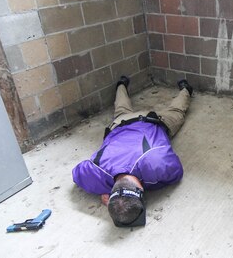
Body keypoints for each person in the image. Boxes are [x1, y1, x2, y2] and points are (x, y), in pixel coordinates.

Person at [72, 76, 193, 226]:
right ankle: (121, 84)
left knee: (176, 111)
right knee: (121, 107)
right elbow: (77, 172)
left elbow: (176, 173)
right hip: (121, 122)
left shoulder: (156, 164)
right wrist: (113, 191)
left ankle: (186, 90)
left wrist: (139, 189)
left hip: (153, 121)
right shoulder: (94, 172)